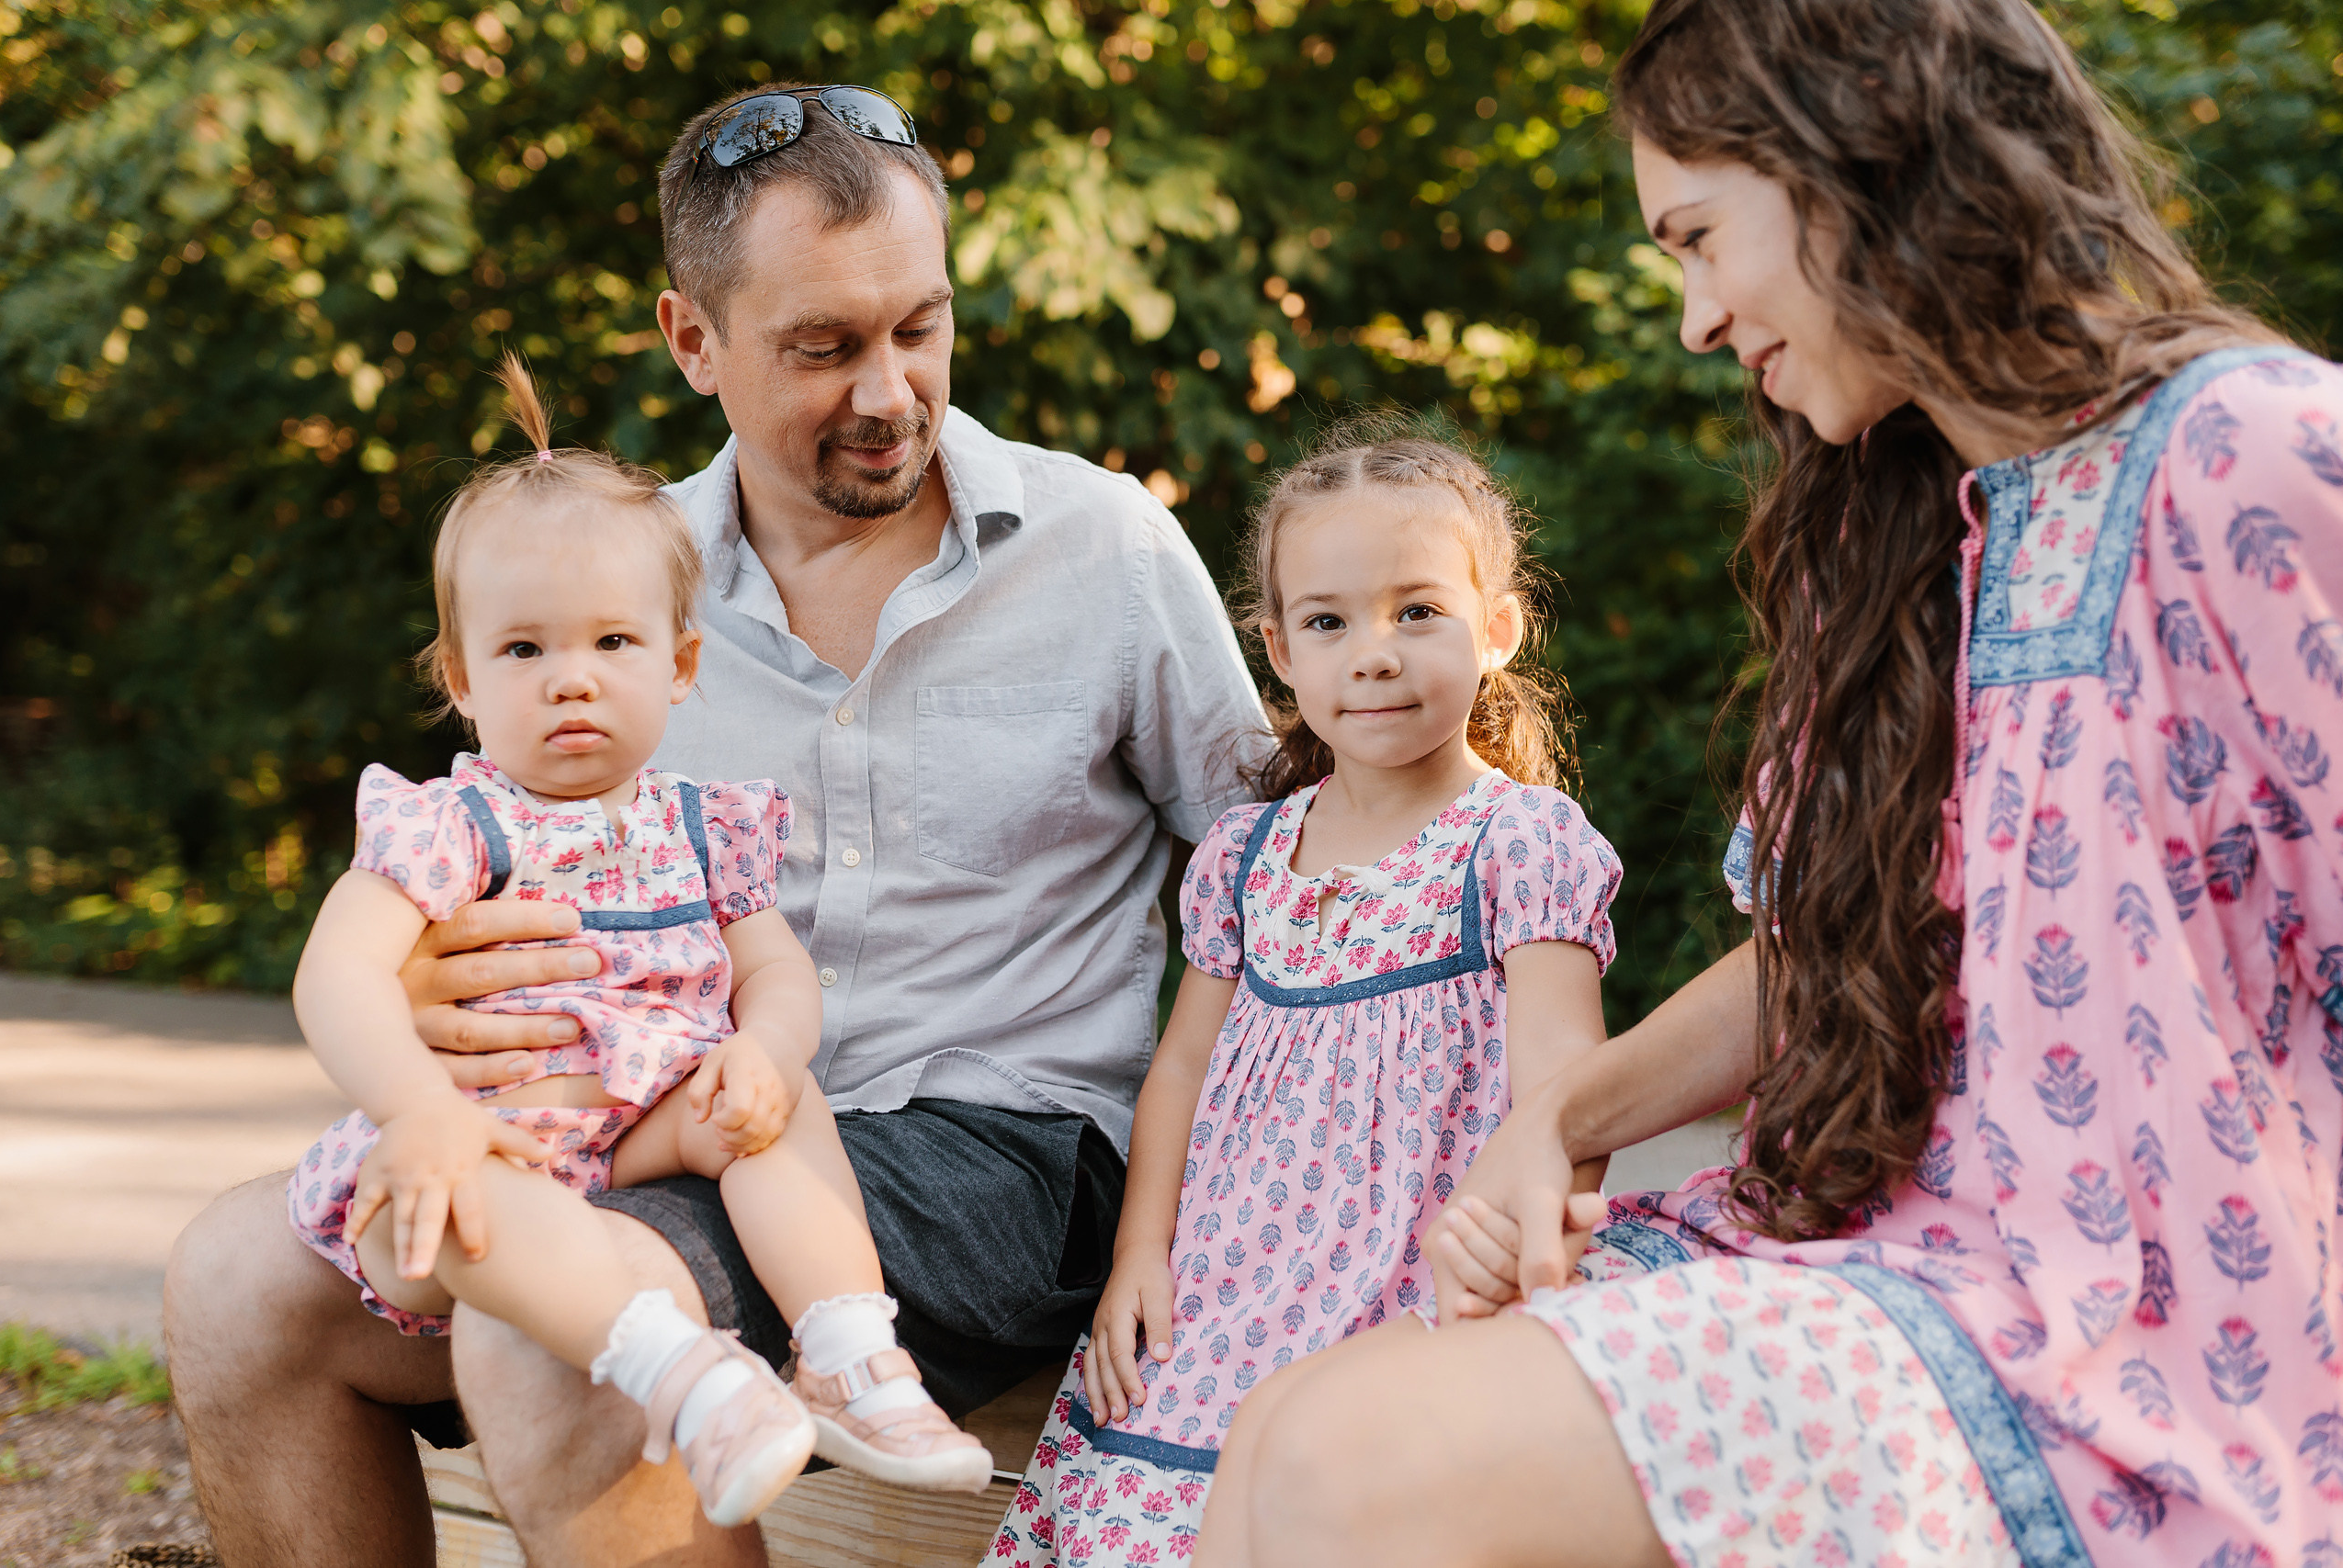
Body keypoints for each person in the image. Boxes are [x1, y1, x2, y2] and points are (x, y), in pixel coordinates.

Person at [1191, 3, 2343, 1567]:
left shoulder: (2255, 452)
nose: (1694, 317)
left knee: (1353, 1463)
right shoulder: (1905, 540)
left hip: (2151, 1360)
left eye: (1699, 238)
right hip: (1901, 1256)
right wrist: (1560, 1120)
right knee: (1276, 1430)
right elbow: (1831, 954)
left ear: (1852, 157)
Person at [164, 84, 1265, 1567]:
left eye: (918, 328)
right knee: (238, 1275)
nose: (887, 391)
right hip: (640, 1118)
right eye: (822, 346)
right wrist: (420, 996)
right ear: (694, 339)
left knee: (559, 1345)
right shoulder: (614, 593)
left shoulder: (1104, 546)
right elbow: (458, 876)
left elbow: (1284, 871)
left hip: (1009, 1147)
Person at [288, 353, 990, 1528]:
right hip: (496, 1135)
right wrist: (422, 1111)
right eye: (524, 652)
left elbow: (772, 970)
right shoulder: (453, 824)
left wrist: (764, 1049)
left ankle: (855, 1358)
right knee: (471, 1214)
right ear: (462, 678)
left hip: (643, 1123)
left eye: (612, 645)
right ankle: (686, 1373)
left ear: (679, 666)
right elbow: (339, 972)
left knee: (772, 1106)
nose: (571, 682)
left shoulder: (700, 826)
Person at [983, 426, 1623, 1567]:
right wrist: (1140, 1256)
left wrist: (1515, 1275)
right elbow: (1181, 1069)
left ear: (1500, 628)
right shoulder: (1247, 854)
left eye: (1417, 611)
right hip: (1234, 1282)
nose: (1370, 655)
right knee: (1149, 1515)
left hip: (1424, 1271)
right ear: (1278, 648)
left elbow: (1569, 1088)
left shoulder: (1517, 844)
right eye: (1328, 623)